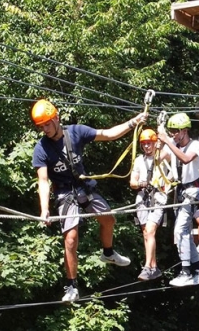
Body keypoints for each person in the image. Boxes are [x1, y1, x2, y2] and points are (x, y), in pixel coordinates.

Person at [31, 99, 147, 302]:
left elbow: (108, 134)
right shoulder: (41, 148)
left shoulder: (75, 132)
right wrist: (44, 209)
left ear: (56, 118)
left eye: (47, 124)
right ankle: (71, 286)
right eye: (41, 126)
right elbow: (43, 181)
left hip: (83, 186)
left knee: (109, 219)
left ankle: (108, 253)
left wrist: (133, 123)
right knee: (71, 238)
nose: (45, 129)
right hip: (64, 193)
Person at [157, 113, 199, 287]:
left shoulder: (195, 145)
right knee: (184, 233)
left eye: (175, 131)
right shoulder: (172, 144)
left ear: (184, 130)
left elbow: (186, 159)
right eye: (171, 131)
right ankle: (198, 270)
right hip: (180, 192)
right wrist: (159, 142)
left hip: (193, 191)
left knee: (180, 231)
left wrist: (167, 141)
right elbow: (159, 158)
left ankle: (186, 272)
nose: (173, 134)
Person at [130, 128, 170, 281]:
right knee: (146, 233)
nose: (147, 146)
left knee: (151, 230)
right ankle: (154, 267)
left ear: (155, 144)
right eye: (144, 144)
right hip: (142, 197)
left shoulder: (161, 156)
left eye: (149, 143)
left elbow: (167, 149)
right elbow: (132, 182)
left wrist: (161, 131)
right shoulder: (139, 160)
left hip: (159, 197)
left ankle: (147, 266)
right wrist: (140, 183)